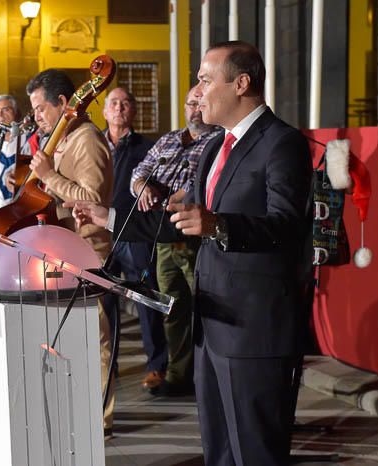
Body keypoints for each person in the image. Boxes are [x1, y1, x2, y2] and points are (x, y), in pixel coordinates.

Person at [68, 41, 312, 465]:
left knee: (256, 452)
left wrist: (218, 224)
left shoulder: (282, 143)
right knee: (217, 450)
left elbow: (288, 226)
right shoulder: (215, 148)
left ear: (241, 83)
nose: (197, 92)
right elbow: (179, 220)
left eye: (204, 79)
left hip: (256, 331)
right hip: (211, 326)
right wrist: (107, 216)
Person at [25, 68, 116, 437]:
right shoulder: (62, 139)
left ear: (63, 103)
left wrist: (49, 175)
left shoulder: (88, 140)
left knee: (95, 339)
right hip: (63, 250)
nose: (36, 117)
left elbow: (94, 201)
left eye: (40, 108)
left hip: (88, 250)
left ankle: (101, 419)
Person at [129, 86, 220, 396]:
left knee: (206, 307)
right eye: (190, 103)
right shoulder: (168, 140)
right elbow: (138, 172)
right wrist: (143, 186)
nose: (194, 108)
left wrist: (175, 195)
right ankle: (179, 375)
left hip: (198, 236)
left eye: (200, 103)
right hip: (165, 237)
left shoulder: (217, 141)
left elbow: (202, 184)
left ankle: (209, 375)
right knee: (173, 307)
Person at [100, 87, 168, 392]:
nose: (119, 108)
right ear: (104, 111)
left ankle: (157, 366)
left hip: (136, 233)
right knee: (105, 303)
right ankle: (109, 366)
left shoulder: (148, 148)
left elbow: (159, 186)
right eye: (113, 103)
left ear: (134, 111)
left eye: (126, 103)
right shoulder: (94, 145)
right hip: (102, 233)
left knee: (146, 298)